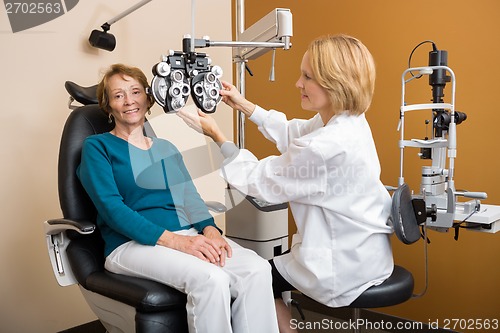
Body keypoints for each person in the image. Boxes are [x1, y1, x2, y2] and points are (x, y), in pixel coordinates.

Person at [179, 34, 394, 332]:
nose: (298, 84)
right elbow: (297, 132)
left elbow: (258, 180)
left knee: (257, 279)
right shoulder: (347, 120)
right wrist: (244, 105)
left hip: (341, 265)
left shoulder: (324, 147)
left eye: (307, 77)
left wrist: (217, 137)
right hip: (365, 251)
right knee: (263, 274)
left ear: (336, 83)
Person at [77, 63, 279, 333]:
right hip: (129, 244)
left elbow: (189, 197)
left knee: (256, 269)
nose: (129, 101)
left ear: (149, 98)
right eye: (118, 95)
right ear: (108, 105)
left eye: (135, 92)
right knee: (211, 279)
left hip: (185, 233)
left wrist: (210, 231)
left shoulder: (165, 147)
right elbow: (112, 209)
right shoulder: (97, 147)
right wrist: (177, 242)